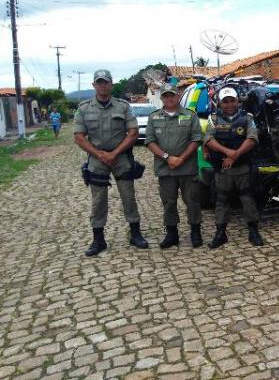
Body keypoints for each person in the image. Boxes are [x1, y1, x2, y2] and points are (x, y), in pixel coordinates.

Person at [74, 69, 149, 256]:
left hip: (121, 157)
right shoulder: (84, 108)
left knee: (128, 196)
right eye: (99, 82)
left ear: (111, 84)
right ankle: (98, 240)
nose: (103, 85)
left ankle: (135, 233)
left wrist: (115, 153)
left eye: (106, 82)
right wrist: (99, 154)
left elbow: (133, 133)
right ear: (94, 85)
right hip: (97, 159)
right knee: (98, 200)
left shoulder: (123, 106)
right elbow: (79, 137)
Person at [145, 83, 203, 249]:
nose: (169, 98)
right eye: (165, 96)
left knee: (192, 201)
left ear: (178, 96)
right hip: (165, 168)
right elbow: (149, 141)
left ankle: (195, 231)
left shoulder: (190, 116)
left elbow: (196, 139)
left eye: (172, 95)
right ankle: (172, 233)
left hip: (187, 168)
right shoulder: (154, 117)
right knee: (168, 202)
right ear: (162, 98)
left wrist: (181, 159)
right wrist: (167, 157)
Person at [204, 86, 263, 249]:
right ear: (220, 103)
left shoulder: (247, 118)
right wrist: (228, 152)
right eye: (225, 101)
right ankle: (220, 233)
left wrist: (235, 155)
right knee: (221, 199)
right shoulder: (213, 119)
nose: (229, 104)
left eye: (232, 100)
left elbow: (252, 138)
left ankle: (253, 231)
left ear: (238, 101)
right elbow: (208, 139)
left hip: (243, 167)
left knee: (247, 198)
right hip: (222, 169)